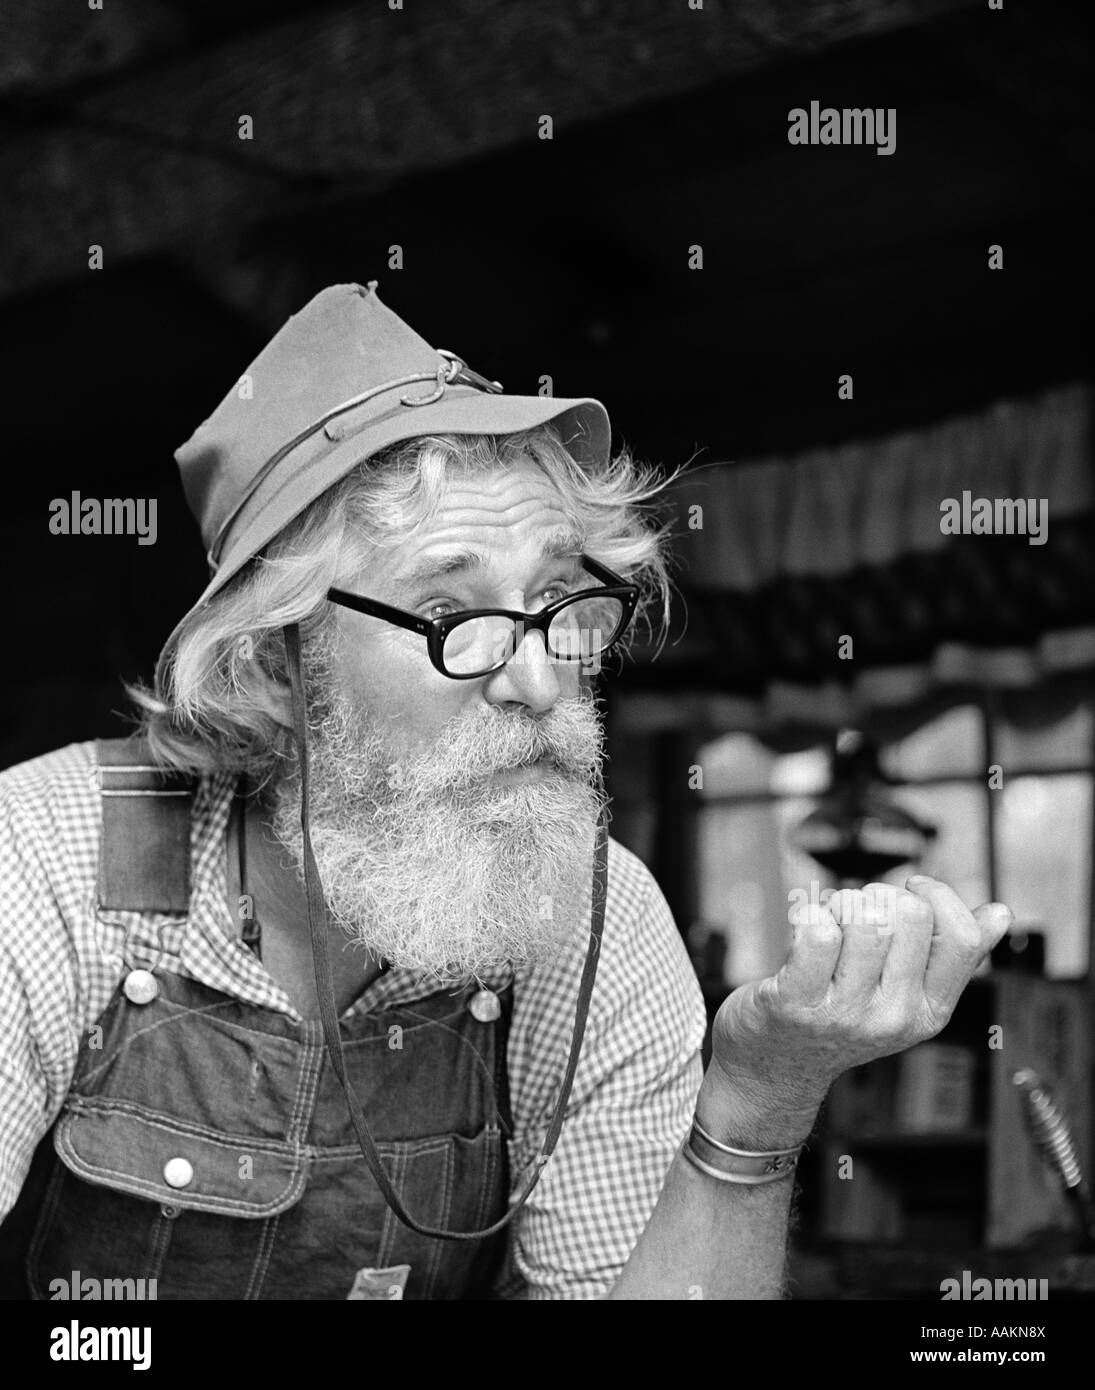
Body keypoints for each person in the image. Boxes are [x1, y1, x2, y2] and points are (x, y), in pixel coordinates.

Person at [0, 283, 1012, 1300]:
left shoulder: (593, 923)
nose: (539, 679)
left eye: (557, 605)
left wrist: (756, 1099)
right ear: (275, 665)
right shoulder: (47, 854)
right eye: (449, 615)